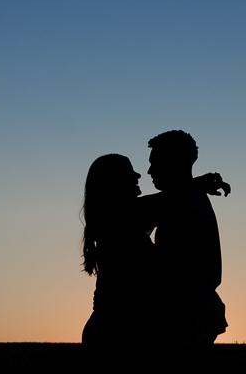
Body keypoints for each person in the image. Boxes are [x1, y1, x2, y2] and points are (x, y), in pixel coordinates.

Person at [80, 153, 229, 354]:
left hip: (115, 332)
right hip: (112, 335)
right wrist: (198, 183)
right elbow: (163, 201)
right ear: (113, 183)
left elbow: (161, 202)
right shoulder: (119, 218)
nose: (138, 175)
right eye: (129, 172)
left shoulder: (117, 217)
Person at [146, 130, 228, 347]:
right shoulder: (185, 200)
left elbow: (179, 275)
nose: (149, 171)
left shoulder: (184, 207)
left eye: (155, 163)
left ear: (174, 163)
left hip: (183, 327)